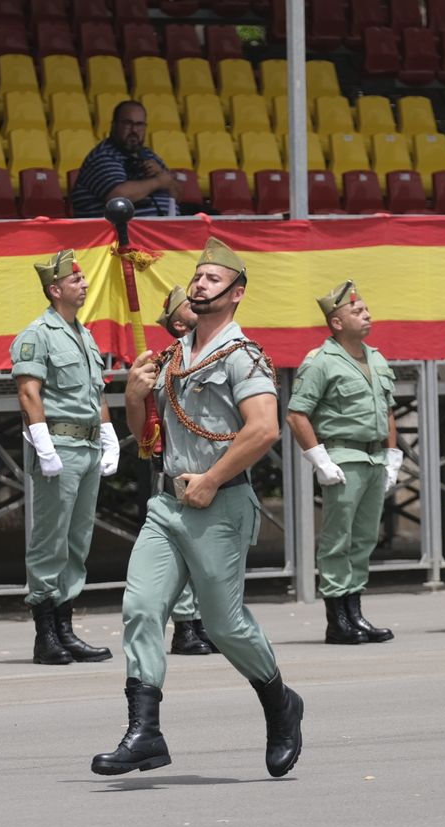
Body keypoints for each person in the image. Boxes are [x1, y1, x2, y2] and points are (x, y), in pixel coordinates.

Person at [92, 238, 303, 778]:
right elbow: (148, 441)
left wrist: (211, 479)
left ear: (236, 294)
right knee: (141, 608)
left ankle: (279, 702)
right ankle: (146, 732)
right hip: (167, 503)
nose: (200, 284)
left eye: (212, 279)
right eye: (198, 276)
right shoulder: (170, 358)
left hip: (218, 503)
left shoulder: (245, 356)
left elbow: (262, 429)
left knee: (223, 623)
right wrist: (135, 398)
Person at [10, 249, 118, 666]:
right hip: (61, 445)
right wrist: (43, 444)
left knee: (77, 542)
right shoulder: (37, 334)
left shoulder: (83, 334)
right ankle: (45, 635)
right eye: (76, 280)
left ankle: (66, 628)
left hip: (88, 445)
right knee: (50, 541)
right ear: (55, 289)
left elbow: (96, 393)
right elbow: (28, 392)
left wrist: (108, 437)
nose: (84, 284)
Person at [287, 280, 403, 644]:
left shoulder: (376, 358)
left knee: (365, 537)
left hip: (373, 455)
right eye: (356, 311)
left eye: (366, 309)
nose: (366, 315)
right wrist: (319, 458)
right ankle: (337, 619)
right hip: (343, 455)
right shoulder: (321, 362)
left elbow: (387, 412)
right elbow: (296, 414)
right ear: (336, 323)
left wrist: (393, 454)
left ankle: (355, 613)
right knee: (339, 539)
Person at [154, 285, 217, 656]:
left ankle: (203, 623)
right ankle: (185, 627)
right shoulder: (173, 360)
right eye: (188, 306)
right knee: (185, 548)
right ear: (179, 323)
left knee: (208, 551)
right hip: (183, 464)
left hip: (211, 464)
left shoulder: (211, 353)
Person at [68, 100, 178, 218]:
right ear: (114, 125)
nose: (134, 130)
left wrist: (166, 178)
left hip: (163, 229)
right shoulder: (103, 156)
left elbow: (177, 196)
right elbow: (118, 197)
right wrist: (158, 182)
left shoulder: (149, 155)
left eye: (139, 124)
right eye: (128, 123)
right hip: (118, 234)